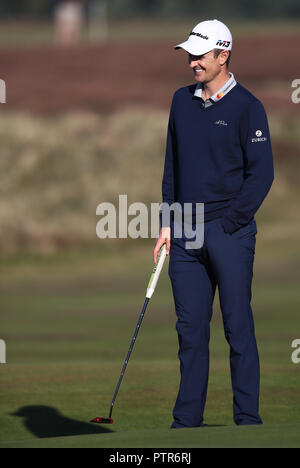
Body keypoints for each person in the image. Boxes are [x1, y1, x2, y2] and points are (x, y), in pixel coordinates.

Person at [154, 19, 274, 428]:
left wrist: (229, 224)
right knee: (190, 333)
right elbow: (171, 167)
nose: (192, 64)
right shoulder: (180, 101)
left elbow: (261, 175)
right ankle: (186, 423)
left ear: (223, 55)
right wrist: (168, 222)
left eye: (199, 56)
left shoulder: (248, 107)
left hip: (230, 231)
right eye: (189, 56)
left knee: (237, 327)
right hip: (184, 233)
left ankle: (248, 420)